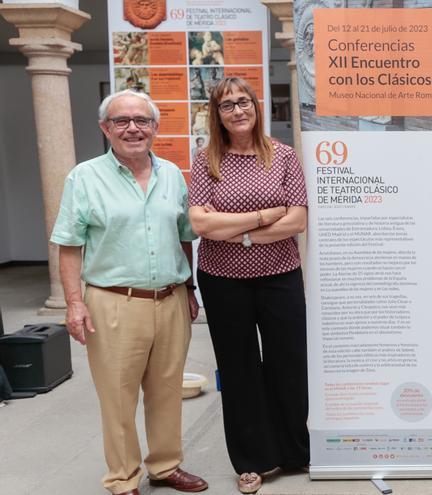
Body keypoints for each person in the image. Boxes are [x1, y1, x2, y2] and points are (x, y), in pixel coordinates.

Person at [51, 90, 208, 495]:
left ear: (155, 128)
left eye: (142, 120)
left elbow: (183, 236)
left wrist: (189, 287)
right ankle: (123, 479)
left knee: (167, 390)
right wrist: (74, 303)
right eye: (121, 121)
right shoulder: (84, 177)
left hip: (171, 299)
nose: (133, 128)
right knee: (117, 398)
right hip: (113, 303)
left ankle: (166, 466)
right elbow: (69, 244)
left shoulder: (172, 174)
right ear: (105, 128)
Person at [188, 77, 309, 494]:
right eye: (227, 105)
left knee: (288, 365)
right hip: (223, 283)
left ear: (256, 107)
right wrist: (261, 218)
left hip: (280, 276)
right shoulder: (206, 160)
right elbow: (201, 224)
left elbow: (297, 220)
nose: (238, 110)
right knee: (239, 371)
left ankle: (294, 452)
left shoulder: (284, 156)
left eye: (244, 102)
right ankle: (251, 460)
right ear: (217, 115)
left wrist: (234, 231)